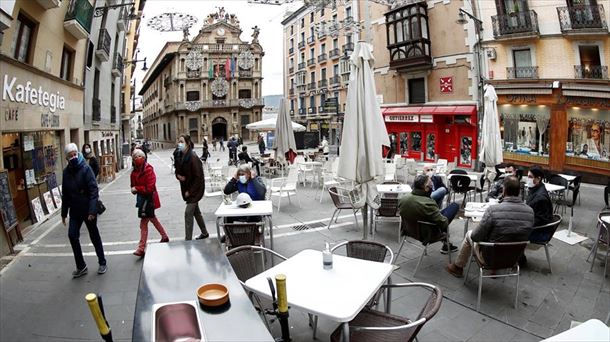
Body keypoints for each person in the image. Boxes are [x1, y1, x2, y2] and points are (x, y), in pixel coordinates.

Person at [446, 176, 534, 277]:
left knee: (469, 234)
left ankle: (457, 267)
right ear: (519, 192)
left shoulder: (493, 210)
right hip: (513, 259)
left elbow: (475, 237)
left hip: (490, 258)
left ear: (504, 190)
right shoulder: (530, 212)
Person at [61, 143, 107, 278]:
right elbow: (65, 194)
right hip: (75, 210)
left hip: (88, 209)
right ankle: (81, 266)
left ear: (78, 154)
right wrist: (64, 213)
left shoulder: (86, 169)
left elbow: (93, 190)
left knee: (94, 235)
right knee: (72, 235)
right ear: (66, 158)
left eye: (75, 154)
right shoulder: (66, 172)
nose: (73, 157)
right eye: (70, 155)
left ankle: (102, 262)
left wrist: (92, 211)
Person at [399, 174, 459, 254]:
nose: (432, 187)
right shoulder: (427, 203)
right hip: (427, 234)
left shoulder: (403, 198)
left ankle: (447, 244)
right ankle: (447, 245)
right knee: (454, 206)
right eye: (431, 185)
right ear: (426, 188)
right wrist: (441, 217)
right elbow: (443, 223)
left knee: (438, 214)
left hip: (408, 230)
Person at [130, 148, 169, 256]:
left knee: (143, 223)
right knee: (152, 219)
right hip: (142, 200)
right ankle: (164, 236)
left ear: (143, 157)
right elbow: (132, 186)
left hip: (149, 199)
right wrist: (135, 189)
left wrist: (137, 188)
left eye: (139, 156)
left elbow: (150, 188)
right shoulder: (134, 172)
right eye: (134, 157)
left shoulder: (148, 169)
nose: (137, 159)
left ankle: (141, 248)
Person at [175, 134, 209, 240]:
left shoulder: (193, 157)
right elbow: (177, 170)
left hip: (195, 190)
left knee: (188, 213)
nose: (179, 144)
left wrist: (190, 191)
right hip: (187, 188)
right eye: (178, 141)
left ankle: (188, 240)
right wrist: (178, 176)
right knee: (196, 212)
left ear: (187, 144)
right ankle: (204, 233)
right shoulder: (180, 155)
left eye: (181, 142)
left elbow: (199, 177)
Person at [525, 166, 554, 243]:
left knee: (510, 233)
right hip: (534, 226)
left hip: (539, 232)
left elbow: (539, 220)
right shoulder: (535, 189)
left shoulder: (541, 198)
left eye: (530, 177)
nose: (528, 179)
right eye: (527, 176)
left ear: (538, 178)